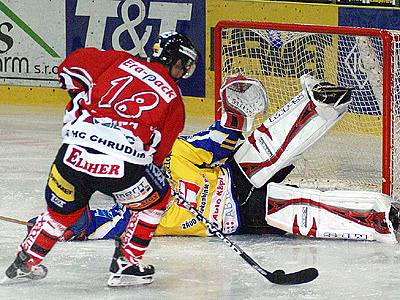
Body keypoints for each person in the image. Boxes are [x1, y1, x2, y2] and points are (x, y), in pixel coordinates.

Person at [27, 74, 400, 244]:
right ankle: (382, 214)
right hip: (240, 206)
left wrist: (230, 113)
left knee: (279, 173)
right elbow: (220, 140)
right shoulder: (145, 192)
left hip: (236, 193)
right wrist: (63, 224)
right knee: (288, 187)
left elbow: (219, 141)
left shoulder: (148, 188)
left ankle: (320, 106)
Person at [2, 31, 198, 287]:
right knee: (157, 200)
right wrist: (151, 180)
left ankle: (24, 263)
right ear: (175, 61)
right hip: (121, 164)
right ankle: (127, 264)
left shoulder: (119, 61)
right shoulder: (174, 99)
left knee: (60, 214)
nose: (183, 71)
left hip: (73, 154)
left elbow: (68, 68)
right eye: (184, 64)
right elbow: (157, 157)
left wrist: (80, 95)